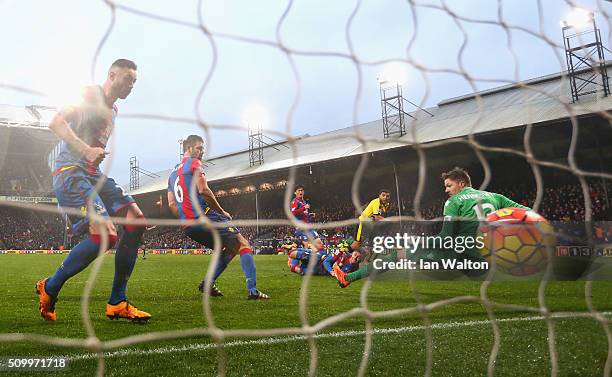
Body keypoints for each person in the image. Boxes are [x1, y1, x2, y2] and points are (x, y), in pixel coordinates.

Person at [37, 59, 151, 322]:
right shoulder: (89, 95)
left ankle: (117, 303)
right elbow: (55, 122)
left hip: (92, 175)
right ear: (111, 75)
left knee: (136, 221)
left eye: (135, 81)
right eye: (127, 79)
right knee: (105, 236)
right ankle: (50, 287)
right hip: (70, 172)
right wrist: (86, 150)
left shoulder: (114, 110)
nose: (132, 85)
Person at [335, 167, 531, 287]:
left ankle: (348, 278)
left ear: (461, 184)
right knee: (404, 253)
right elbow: (526, 212)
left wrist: (418, 241)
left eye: (449, 185)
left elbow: (446, 238)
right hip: (486, 260)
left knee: (398, 254)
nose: (446, 190)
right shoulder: (494, 196)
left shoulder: (454, 201)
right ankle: (349, 277)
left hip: (463, 258)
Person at [167, 135, 269, 299]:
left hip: (188, 226)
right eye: (199, 148)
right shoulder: (194, 163)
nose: (202, 151)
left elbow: (172, 205)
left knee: (230, 248)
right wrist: (222, 212)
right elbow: (204, 190)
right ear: (188, 148)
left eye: (202, 148)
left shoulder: (171, 175)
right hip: (205, 216)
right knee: (243, 244)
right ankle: (253, 290)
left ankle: (208, 283)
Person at [290, 185, 324, 250]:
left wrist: (310, 215)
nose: (300, 192)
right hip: (301, 227)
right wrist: (304, 208)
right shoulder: (295, 201)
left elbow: (303, 215)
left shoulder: (304, 202)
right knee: (306, 247)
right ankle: (295, 256)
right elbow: (293, 213)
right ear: (295, 192)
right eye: (298, 190)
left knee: (320, 244)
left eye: (302, 190)